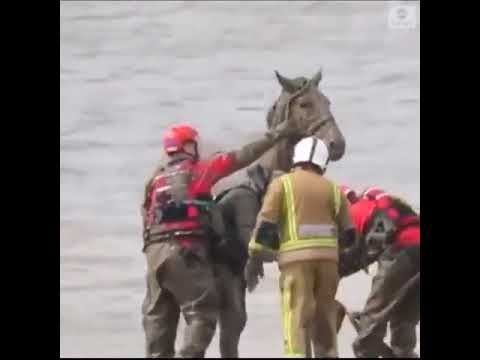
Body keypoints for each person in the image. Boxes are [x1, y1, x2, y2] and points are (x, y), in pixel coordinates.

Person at [141, 120, 300, 358]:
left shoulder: (155, 180)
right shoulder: (201, 170)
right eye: (194, 145)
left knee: (158, 320)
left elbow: (145, 212)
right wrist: (276, 135)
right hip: (185, 251)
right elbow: (242, 156)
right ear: (187, 147)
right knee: (202, 312)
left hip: (153, 256)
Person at [247, 136, 355, 358]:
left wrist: (255, 252)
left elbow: (265, 227)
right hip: (328, 265)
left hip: (296, 264)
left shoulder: (282, 184)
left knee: (296, 317)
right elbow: (350, 235)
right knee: (325, 319)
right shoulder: (334, 189)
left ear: (296, 159)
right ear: (323, 162)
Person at [339, 186, 420, 358]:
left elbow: (362, 253)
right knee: (404, 315)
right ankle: (404, 352)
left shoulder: (354, 211)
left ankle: (366, 351)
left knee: (374, 313)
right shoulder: (383, 204)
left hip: (403, 251)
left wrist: (334, 272)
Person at [212, 164, 281, 357]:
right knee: (234, 318)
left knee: (234, 319)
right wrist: (285, 255)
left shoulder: (252, 196)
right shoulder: (246, 197)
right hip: (221, 262)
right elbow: (250, 242)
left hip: (230, 261)